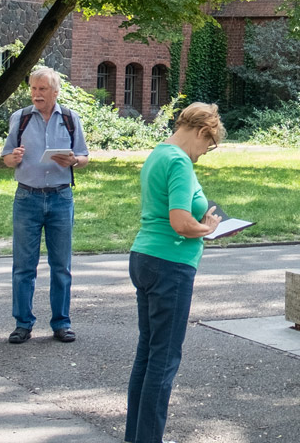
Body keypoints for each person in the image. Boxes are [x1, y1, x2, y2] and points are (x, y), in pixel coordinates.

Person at [125, 102, 225, 443]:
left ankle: (136, 436)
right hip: (170, 263)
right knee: (164, 357)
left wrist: (199, 224)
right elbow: (180, 222)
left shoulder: (158, 154)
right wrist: (208, 228)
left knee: (148, 352)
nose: (204, 153)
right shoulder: (180, 162)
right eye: (209, 144)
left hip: (144, 256)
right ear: (202, 131)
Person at [1, 66, 90, 344]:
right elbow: (6, 156)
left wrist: (74, 160)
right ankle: (22, 324)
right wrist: (13, 158)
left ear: (55, 92)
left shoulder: (70, 118)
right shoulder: (21, 118)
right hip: (26, 197)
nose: (36, 94)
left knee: (61, 266)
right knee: (23, 266)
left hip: (60, 198)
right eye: (33, 89)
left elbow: (84, 157)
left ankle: (61, 323)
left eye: (42, 89)